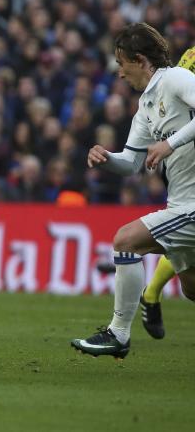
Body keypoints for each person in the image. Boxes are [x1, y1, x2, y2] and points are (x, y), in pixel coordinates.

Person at [72, 23, 195, 359]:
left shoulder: (176, 80)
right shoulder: (146, 105)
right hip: (181, 200)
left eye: (121, 62)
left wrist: (169, 144)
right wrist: (106, 159)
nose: (120, 72)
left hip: (192, 205)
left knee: (125, 241)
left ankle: (118, 334)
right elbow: (131, 163)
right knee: (192, 289)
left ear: (140, 60)